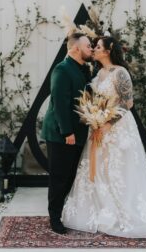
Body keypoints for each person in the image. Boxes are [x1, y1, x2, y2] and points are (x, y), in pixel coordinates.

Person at [62, 36, 146, 238]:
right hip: (98, 128)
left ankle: (123, 213)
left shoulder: (121, 73)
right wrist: (94, 118)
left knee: (118, 170)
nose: (94, 49)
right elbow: (94, 101)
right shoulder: (98, 72)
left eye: (98, 47)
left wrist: (108, 122)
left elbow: (128, 103)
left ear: (108, 51)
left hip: (118, 129)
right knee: (99, 169)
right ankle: (101, 211)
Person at [41, 33, 93, 234]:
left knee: (71, 176)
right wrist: (67, 132)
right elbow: (60, 103)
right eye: (88, 46)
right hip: (61, 134)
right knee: (59, 177)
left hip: (78, 133)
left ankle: (64, 212)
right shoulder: (62, 69)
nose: (91, 49)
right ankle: (54, 218)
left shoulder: (83, 69)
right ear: (75, 48)